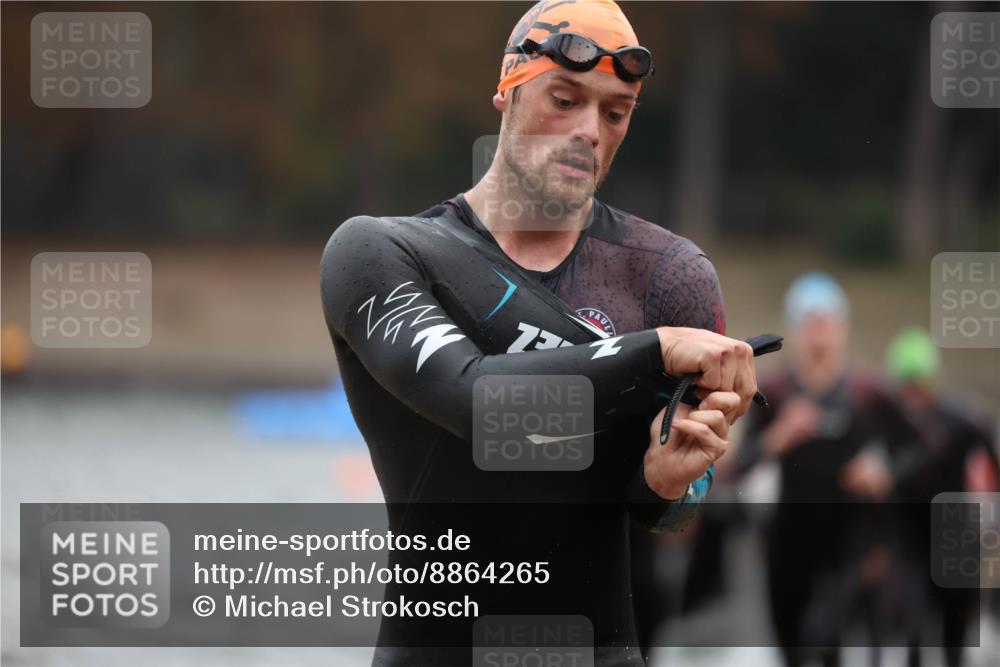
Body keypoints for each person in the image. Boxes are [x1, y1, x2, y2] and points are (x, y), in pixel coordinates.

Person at [320, 1, 761, 664]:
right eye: (565, 98)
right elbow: (477, 401)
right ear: (508, 90)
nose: (589, 130)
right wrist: (655, 350)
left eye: (615, 113)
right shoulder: (381, 255)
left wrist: (666, 483)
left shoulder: (668, 278)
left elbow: (670, 510)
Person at [734, 272, 912, 667]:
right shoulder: (774, 392)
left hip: (846, 537)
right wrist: (779, 437)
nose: (818, 333)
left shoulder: (868, 392)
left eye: (826, 321)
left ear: (842, 328)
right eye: (809, 322)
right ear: (794, 329)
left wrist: (885, 470)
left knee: (827, 637)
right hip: (788, 535)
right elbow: (738, 466)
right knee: (789, 641)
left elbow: (919, 446)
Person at [883, 327, 999, 667]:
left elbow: (992, 459)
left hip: (955, 535)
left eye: (919, 384)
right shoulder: (889, 421)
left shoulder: (962, 418)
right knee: (912, 634)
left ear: (933, 381)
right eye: (907, 386)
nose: (914, 395)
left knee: (955, 637)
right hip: (909, 537)